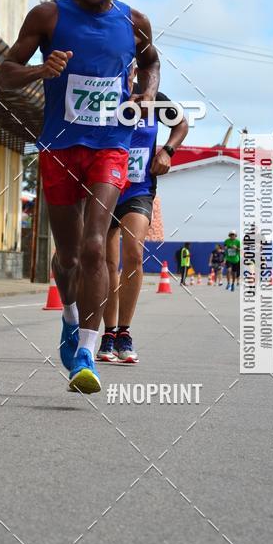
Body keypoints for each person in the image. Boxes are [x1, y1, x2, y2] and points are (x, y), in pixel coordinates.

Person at [0, 0, 160, 393]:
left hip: (111, 146)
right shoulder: (48, 17)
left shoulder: (134, 21)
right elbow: (4, 73)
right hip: (59, 148)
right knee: (68, 257)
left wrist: (146, 94)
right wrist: (39, 70)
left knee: (94, 247)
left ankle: (88, 352)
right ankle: (70, 320)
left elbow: (151, 63)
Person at [98, 79, 188, 364]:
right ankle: (108, 333)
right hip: (104, 186)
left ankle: (124, 333)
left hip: (139, 189)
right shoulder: (104, 92)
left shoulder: (154, 97)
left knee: (134, 254)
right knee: (108, 263)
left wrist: (167, 151)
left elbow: (181, 124)